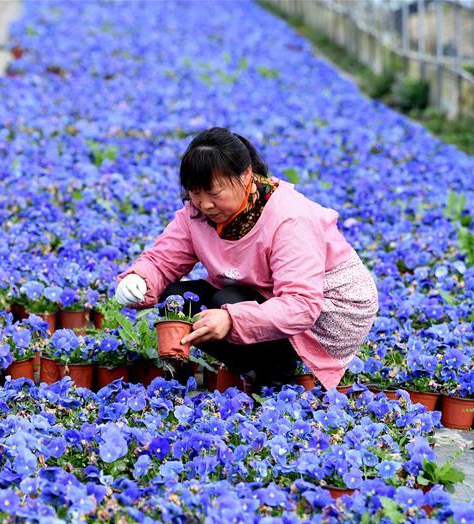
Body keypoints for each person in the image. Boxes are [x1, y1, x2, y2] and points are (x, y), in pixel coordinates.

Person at [114, 127, 379, 390]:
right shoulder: (196, 213)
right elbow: (162, 261)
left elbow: (301, 305)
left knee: (226, 301)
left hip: (326, 314)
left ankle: (276, 377)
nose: (205, 204)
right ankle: (177, 379)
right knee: (177, 297)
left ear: (246, 176)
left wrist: (232, 320)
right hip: (263, 293)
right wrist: (140, 279)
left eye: (214, 193)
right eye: (195, 192)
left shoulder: (289, 218)